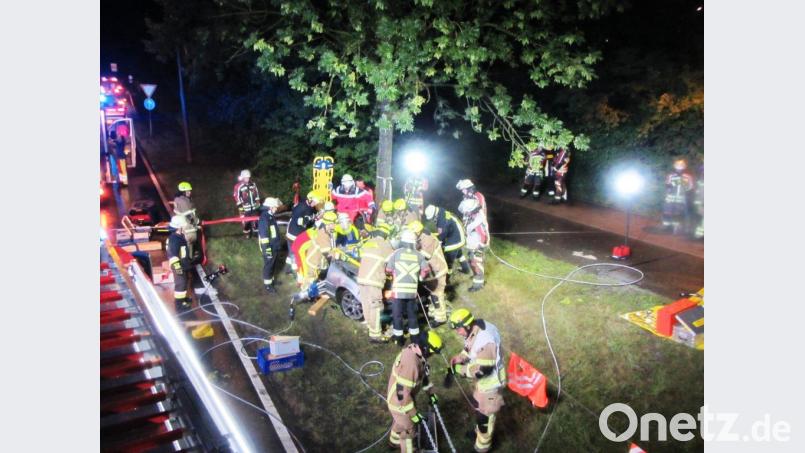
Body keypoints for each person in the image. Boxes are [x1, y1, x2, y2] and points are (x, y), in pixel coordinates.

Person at [448, 309, 507, 453]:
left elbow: (482, 371)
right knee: (479, 407)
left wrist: (460, 370)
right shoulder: (474, 328)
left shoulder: (486, 339)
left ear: (467, 325)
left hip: (491, 382)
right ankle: (478, 433)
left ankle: (483, 447)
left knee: (485, 418)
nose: (458, 332)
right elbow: (470, 345)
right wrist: (461, 357)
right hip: (483, 383)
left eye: (459, 329)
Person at [386, 331, 443, 452]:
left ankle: (393, 442)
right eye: (431, 353)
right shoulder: (411, 363)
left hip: (403, 400)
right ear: (425, 348)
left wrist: (431, 394)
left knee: (401, 422)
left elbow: (424, 378)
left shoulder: (416, 353)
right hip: (399, 404)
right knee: (409, 430)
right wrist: (413, 414)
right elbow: (402, 394)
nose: (431, 356)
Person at [385, 229, 432, 346]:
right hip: (412, 293)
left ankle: (399, 340)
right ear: (413, 242)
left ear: (402, 241)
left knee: (397, 316)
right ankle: (415, 340)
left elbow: (388, 270)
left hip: (398, 292)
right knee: (412, 316)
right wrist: (420, 278)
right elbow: (426, 269)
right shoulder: (419, 255)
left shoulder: (396, 253)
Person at [357, 224, 394, 343]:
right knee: (376, 308)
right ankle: (376, 335)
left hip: (361, 279)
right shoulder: (385, 245)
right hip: (374, 281)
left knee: (366, 305)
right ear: (385, 235)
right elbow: (392, 263)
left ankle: (371, 327)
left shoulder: (368, 243)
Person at [292, 211, 339, 303]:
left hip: (318, 261)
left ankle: (311, 293)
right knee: (310, 279)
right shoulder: (323, 235)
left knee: (315, 278)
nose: (334, 226)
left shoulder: (327, 231)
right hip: (313, 261)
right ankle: (304, 296)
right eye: (333, 224)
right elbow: (328, 253)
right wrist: (338, 256)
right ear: (328, 224)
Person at [408, 221, 448, 326]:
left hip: (438, 270)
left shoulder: (428, 238)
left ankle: (440, 318)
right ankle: (432, 314)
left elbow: (425, 255)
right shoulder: (421, 236)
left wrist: (413, 249)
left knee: (437, 294)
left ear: (417, 232)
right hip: (432, 271)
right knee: (432, 293)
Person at [167, 215, 201, 313]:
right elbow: (172, 254)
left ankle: (183, 299)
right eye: (184, 226)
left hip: (183, 264)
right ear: (179, 227)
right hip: (178, 265)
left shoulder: (179, 236)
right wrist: (177, 267)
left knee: (185, 282)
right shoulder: (174, 240)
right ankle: (179, 306)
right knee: (180, 284)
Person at [424, 205, 470, 274]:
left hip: (457, 238)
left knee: (449, 256)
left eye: (432, 218)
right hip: (458, 235)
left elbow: (441, 237)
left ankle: (447, 275)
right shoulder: (441, 212)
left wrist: (434, 246)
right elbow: (443, 232)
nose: (432, 220)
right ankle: (466, 269)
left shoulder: (442, 220)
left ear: (434, 214)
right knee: (459, 253)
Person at [459, 198, 490, 292]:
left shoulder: (478, 220)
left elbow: (483, 235)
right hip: (472, 244)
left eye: (466, 211)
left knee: (476, 264)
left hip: (477, 246)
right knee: (472, 262)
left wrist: (479, 247)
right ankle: (476, 277)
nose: (465, 213)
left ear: (471, 210)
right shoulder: (473, 215)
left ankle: (478, 285)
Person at [285, 191, 320, 274]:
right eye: (315, 202)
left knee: (292, 253)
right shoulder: (301, 207)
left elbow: (308, 218)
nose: (315, 204)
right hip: (293, 234)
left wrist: (314, 218)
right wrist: (311, 219)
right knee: (294, 252)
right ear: (310, 200)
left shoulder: (309, 206)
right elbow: (299, 221)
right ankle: (295, 271)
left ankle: (288, 269)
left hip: (298, 232)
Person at [661, 158, 695, 234]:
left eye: (681, 166)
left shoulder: (688, 177)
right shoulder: (671, 176)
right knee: (667, 212)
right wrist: (678, 181)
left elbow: (690, 188)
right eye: (678, 166)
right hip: (670, 198)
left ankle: (676, 228)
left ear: (684, 167)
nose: (679, 168)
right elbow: (667, 185)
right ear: (675, 167)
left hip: (681, 199)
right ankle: (667, 227)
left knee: (678, 214)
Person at [258, 198, 282, 293]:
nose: (276, 209)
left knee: (273, 264)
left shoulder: (270, 216)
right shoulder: (264, 218)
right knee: (269, 265)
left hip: (274, 245)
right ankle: (268, 285)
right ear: (270, 207)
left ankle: (271, 281)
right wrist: (267, 251)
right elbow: (264, 237)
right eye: (275, 207)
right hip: (269, 247)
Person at [233, 169, 261, 237]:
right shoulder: (238, 186)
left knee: (256, 220)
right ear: (242, 177)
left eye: (248, 177)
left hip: (254, 206)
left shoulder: (253, 184)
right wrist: (240, 206)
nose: (247, 179)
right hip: (244, 208)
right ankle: (247, 233)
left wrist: (258, 202)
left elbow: (256, 193)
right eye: (246, 177)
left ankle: (255, 233)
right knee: (246, 221)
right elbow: (236, 196)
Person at [693, 165, 704, 240]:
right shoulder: (701, 181)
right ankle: (699, 235)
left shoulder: (701, 181)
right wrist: (698, 205)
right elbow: (699, 194)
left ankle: (699, 235)